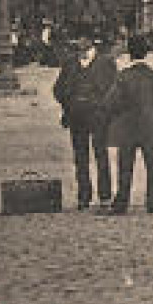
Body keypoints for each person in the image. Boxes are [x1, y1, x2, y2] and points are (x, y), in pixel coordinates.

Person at [97, 35, 153, 216]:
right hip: (150, 126)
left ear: (130, 54)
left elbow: (110, 103)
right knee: (152, 164)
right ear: (147, 53)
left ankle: (122, 202)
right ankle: (152, 202)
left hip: (128, 128)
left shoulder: (123, 77)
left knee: (125, 166)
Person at [52, 35, 119, 210]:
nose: (79, 43)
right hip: (76, 117)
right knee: (80, 158)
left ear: (91, 41)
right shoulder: (70, 63)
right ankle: (84, 196)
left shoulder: (106, 63)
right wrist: (69, 103)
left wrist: (104, 106)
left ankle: (105, 195)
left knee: (101, 155)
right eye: (77, 40)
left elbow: (115, 88)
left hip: (98, 116)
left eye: (82, 39)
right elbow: (58, 88)